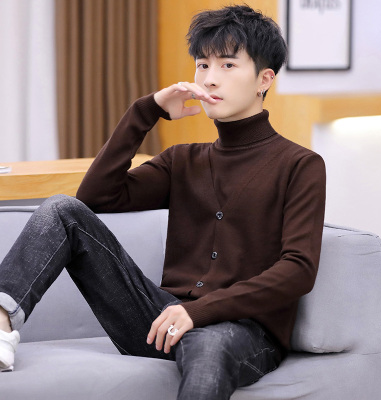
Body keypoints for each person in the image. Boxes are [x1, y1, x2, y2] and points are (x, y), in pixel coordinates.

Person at [0, 4, 326, 399]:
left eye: (227, 65)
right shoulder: (182, 160)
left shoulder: (301, 165)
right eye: (202, 65)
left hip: (244, 331)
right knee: (61, 209)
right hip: (161, 320)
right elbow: (95, 198)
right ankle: (0, 324)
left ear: (264, 79)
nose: (210, 78)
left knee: (210, 345)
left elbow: (298, 270)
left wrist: (198, 312)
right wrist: (147, 110)